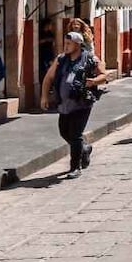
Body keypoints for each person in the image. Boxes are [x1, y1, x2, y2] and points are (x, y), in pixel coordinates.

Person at [40, 32, 107, 179]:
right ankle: (84, 148)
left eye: (69, 44)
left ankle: (75, 167)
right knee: (64, 132)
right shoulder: (61, 59)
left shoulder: (89, 58)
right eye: (65, 43)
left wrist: (94, 81)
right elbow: (48, 78)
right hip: (64, 104)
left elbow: (103, 75)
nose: (66, 46)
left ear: (78, 44)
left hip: (82, 103)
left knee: (75, 135)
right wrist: (44, 97)